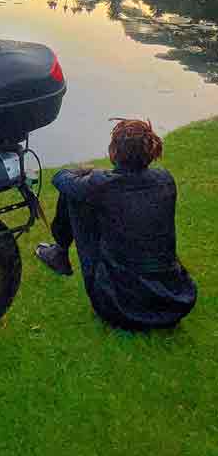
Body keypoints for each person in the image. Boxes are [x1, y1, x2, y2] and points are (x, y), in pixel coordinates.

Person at [35, 118, 197, 330]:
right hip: (173, 300)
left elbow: (59, 178)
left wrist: (85, 171)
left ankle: (59, 253)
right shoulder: (165, 178)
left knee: (73, 193)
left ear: (114, 150)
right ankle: (59, 253)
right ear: (152, 150)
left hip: (118, 306)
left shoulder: (101, 184)